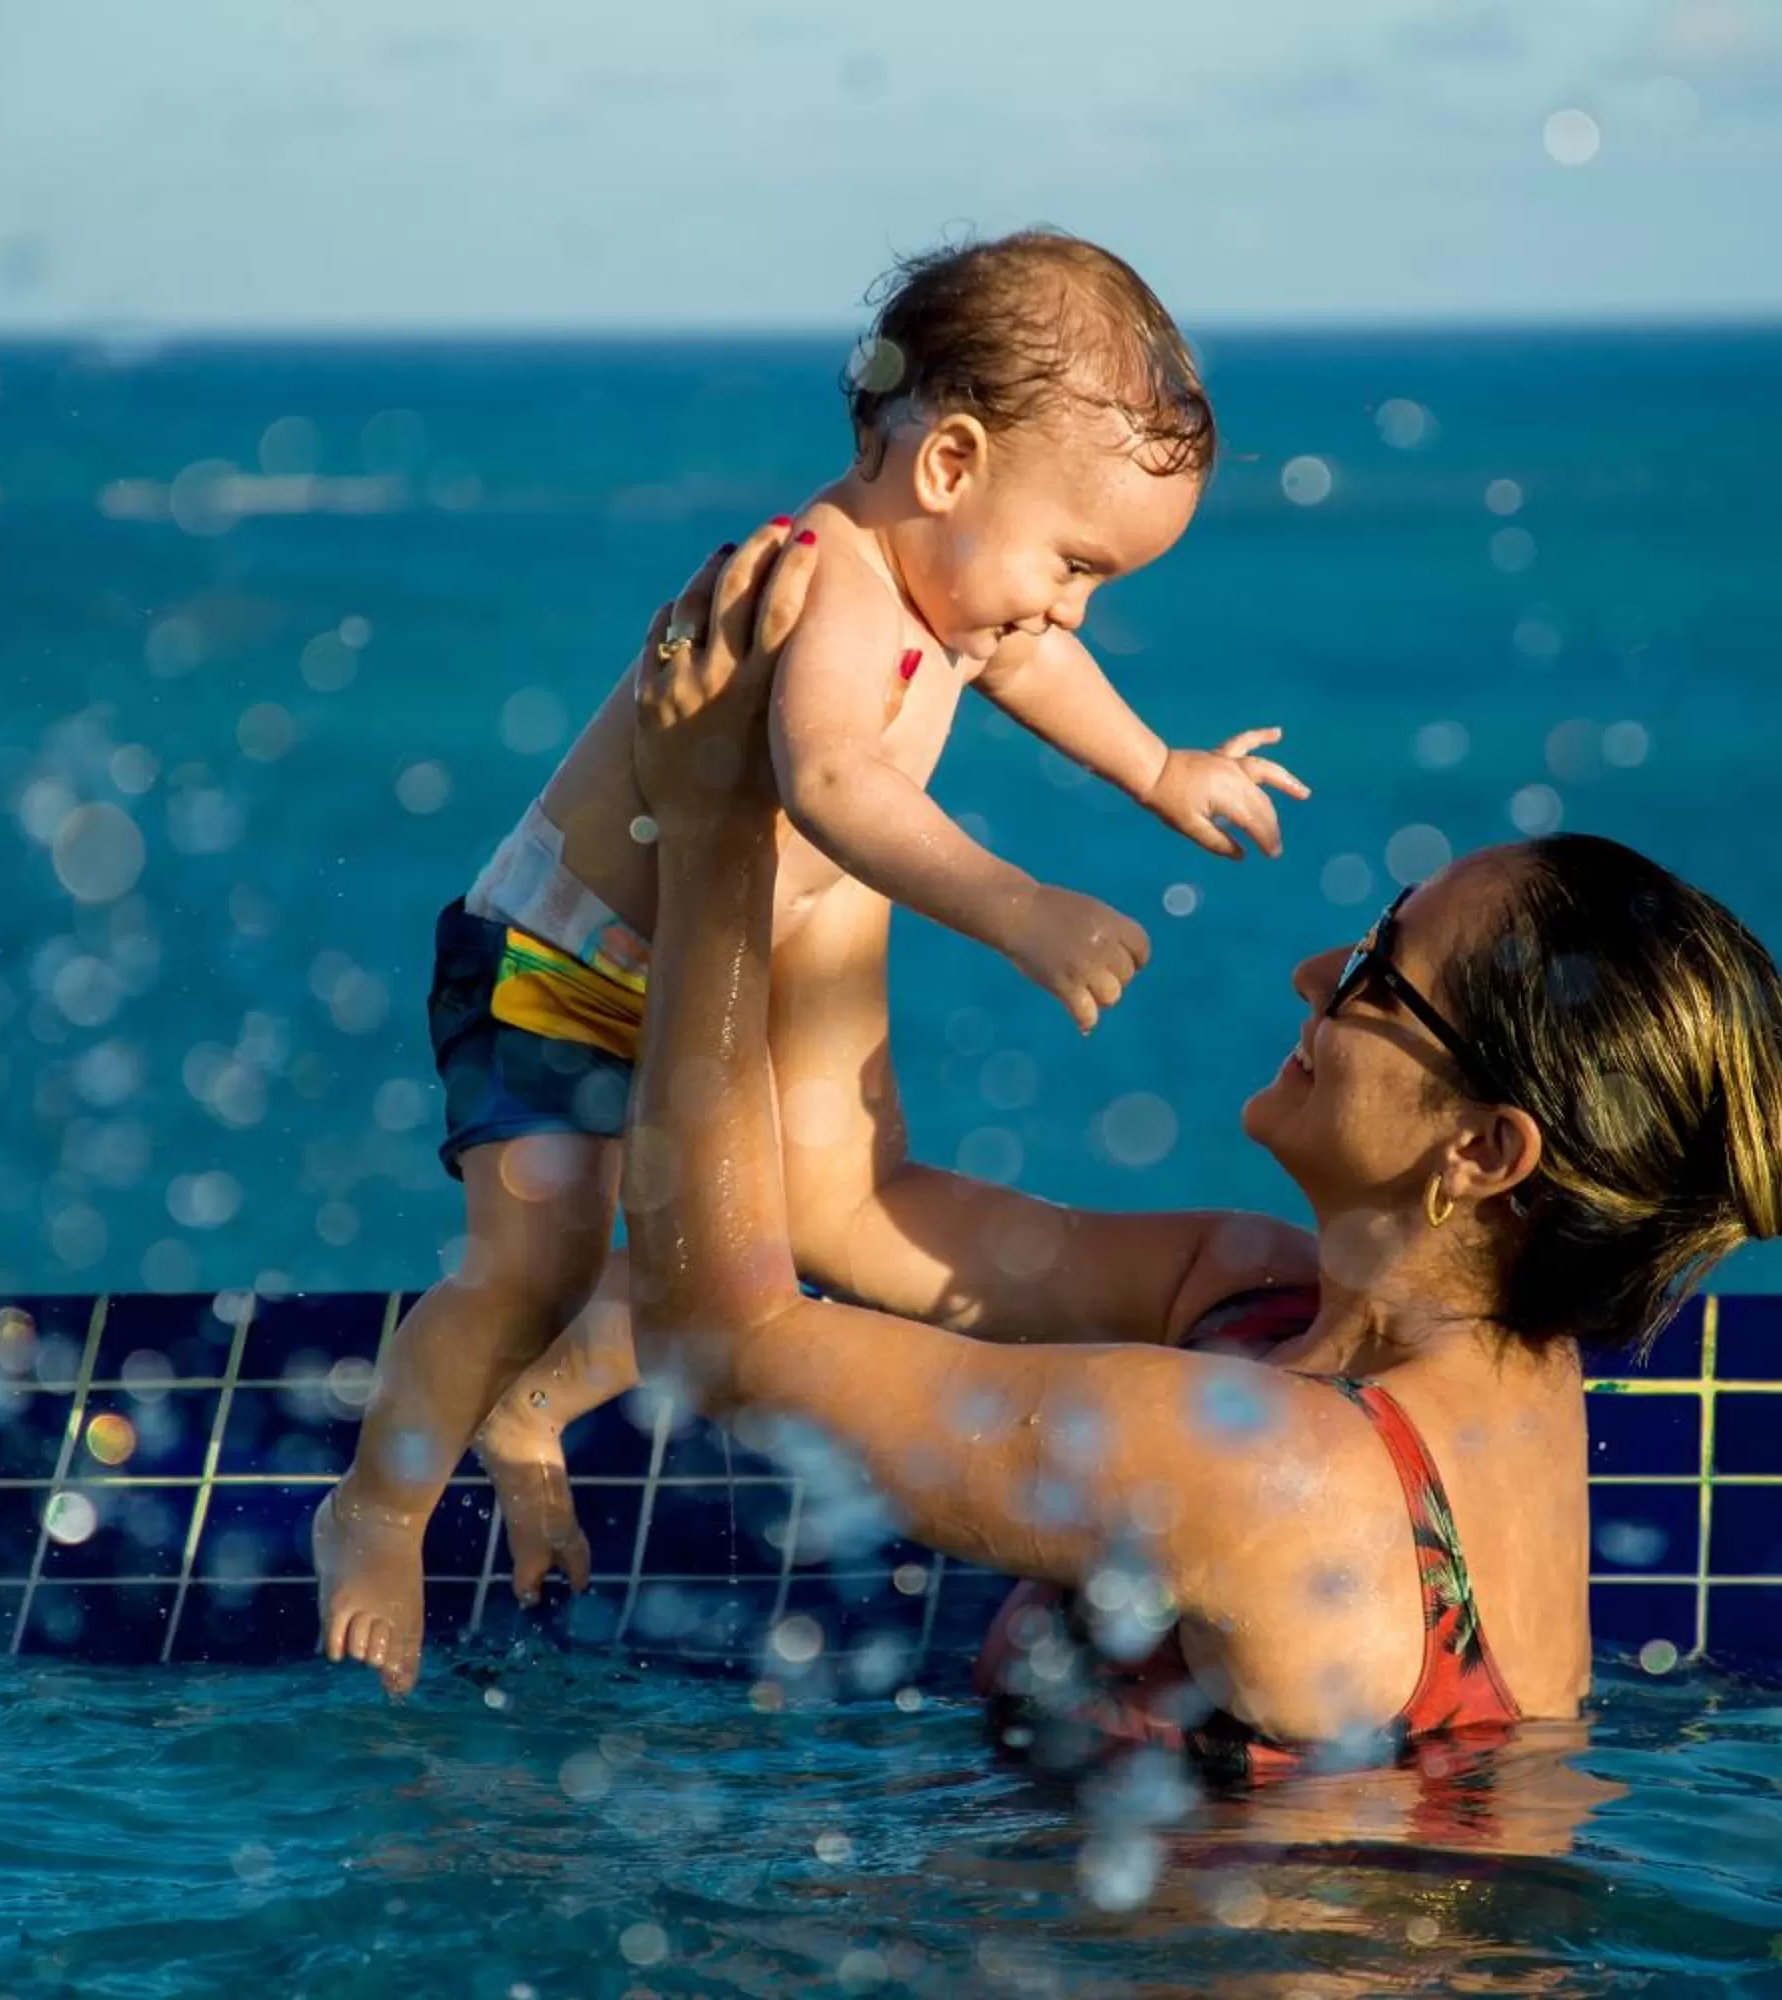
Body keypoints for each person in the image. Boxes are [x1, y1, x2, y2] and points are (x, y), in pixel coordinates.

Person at [612, 522, 1782, 1782]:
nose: (1316, 972)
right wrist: (846, 794)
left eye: (1378, 977)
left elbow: (719, 1344)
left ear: (1483, 1149)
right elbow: (846, 1200)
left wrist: (709, 846)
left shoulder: (1272, 1463)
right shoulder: (1277, 1305)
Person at [316, 229, 1308, 1696]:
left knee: (747, 1223)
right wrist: (1019, 905)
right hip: (562, 963)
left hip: (710, 970)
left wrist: (1160, 768)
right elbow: (837, 783)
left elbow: (1027, 662)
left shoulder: (951, 586)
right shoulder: (825, 580)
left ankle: (530, 1415)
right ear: (951, 465)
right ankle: (377, 1511)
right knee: (534, 1258)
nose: (1073, 607)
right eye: (1076, 563)